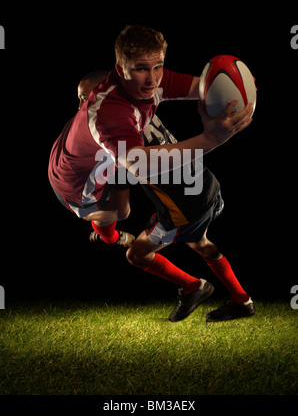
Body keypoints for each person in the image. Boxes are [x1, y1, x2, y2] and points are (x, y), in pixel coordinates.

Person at [48, 24, 253, 261]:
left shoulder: (154, 79)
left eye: (158, 66)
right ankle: (106, 234)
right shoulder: (110, 113)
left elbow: (204, 86)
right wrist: (211, 138)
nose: (152, 79)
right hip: (73, 181)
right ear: (120, 69)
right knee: (119, 213)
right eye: (141, 69)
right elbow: (141, 166)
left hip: (83, 149)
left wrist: (239, 91)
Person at [126, 117, 255, 322]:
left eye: (87, 99)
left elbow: (118, 202)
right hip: (206, 186)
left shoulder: (116, 130)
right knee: (199, 241)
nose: (83, 106)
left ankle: (193, 287)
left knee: (136, 254)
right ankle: (241, 300)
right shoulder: (144, 108)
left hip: (185, 207)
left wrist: (110, 234)